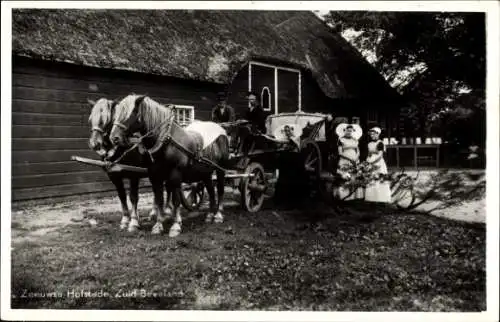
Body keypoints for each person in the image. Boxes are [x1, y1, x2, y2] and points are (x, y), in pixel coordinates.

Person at [334, 123, 364, 200]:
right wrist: (350, 158)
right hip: (345, 160)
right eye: (348, 131)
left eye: (350, 131)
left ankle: (354, 196)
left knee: (354, 176)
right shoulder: (341, 140)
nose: (349, 132)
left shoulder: (355, 140)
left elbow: (358, 151)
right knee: (346, 177)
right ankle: (345, 196)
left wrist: (356, 158)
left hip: (355, 160)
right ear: (344, 131)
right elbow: (340, 153)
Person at [364, 127, 392, 203]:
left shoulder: (380, 143)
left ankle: (381, 199)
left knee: (380, 179)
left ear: (378, 134)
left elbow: (380, 155)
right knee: (372, 179)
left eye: (374, 134)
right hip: (371, 162)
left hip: (378, 163)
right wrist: (368, 161)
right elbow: (369, 154)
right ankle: (372, 199)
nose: (372, 136)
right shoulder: (369, 144)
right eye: (371, 134)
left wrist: (373, 162)